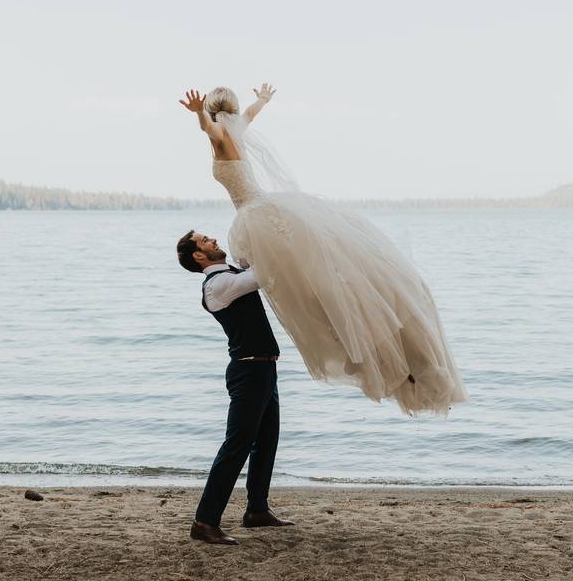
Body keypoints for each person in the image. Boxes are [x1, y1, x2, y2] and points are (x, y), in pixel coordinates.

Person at [178, 84, 468, 416]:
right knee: (321, 284)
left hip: (257, 220)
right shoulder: (237, 130)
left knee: (306, 294)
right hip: (267, 214)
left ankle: (355, 353)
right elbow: (249, 115)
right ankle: (372, 352)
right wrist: (262, 100)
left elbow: (210, 128)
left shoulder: (219, 136)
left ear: (215, 113)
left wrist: (199, 113)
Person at [176, 229, 295, 546]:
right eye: (205, 241)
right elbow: (264, 274)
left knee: (266, 441)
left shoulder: (231, 274)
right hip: (248, 370)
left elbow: (255, 270)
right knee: (237, 446)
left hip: (264, 367)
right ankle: (204, 521)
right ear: (198, 256)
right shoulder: (217, 286)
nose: (213, 240)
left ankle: (257, 511)